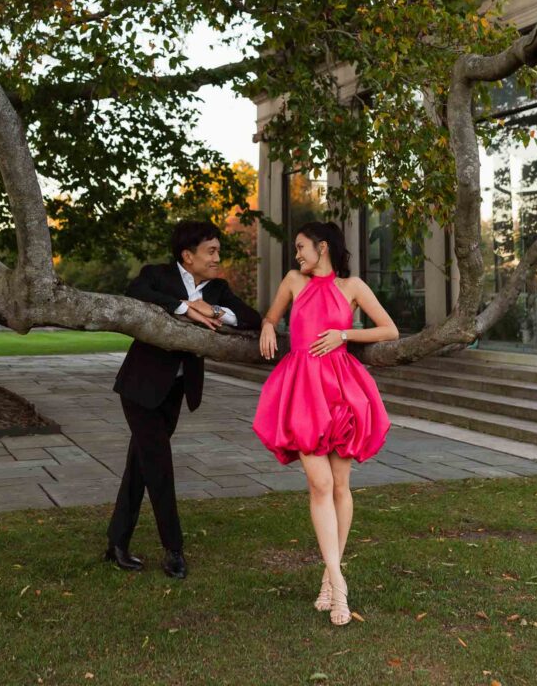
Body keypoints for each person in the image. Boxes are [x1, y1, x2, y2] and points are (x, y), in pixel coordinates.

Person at [252, 221, 397, 626]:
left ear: (323, 246)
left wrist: (344, 335)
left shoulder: (352, 287)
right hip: (302, 390)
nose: (296, 254)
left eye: (301, 247)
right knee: (319, 485)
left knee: (340, 486)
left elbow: (389, 328)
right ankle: (339, 583)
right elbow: (272, 315)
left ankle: (327, 581)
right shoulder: (293, 280)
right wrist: (266, 325)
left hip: (341, 390)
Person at [107, 219, 261, 579]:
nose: (217, 258)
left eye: (218, 251)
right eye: (211, 251)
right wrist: (184, 306)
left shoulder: (218, 288)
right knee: (159, 465)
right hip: (139, 389)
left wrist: (216, 311)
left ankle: (116, 542)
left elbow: (251, 317)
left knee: (140, 468)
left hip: (175, 391)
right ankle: (173, 549)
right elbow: (134, 293)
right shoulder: (157, 275)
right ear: (187, 256)